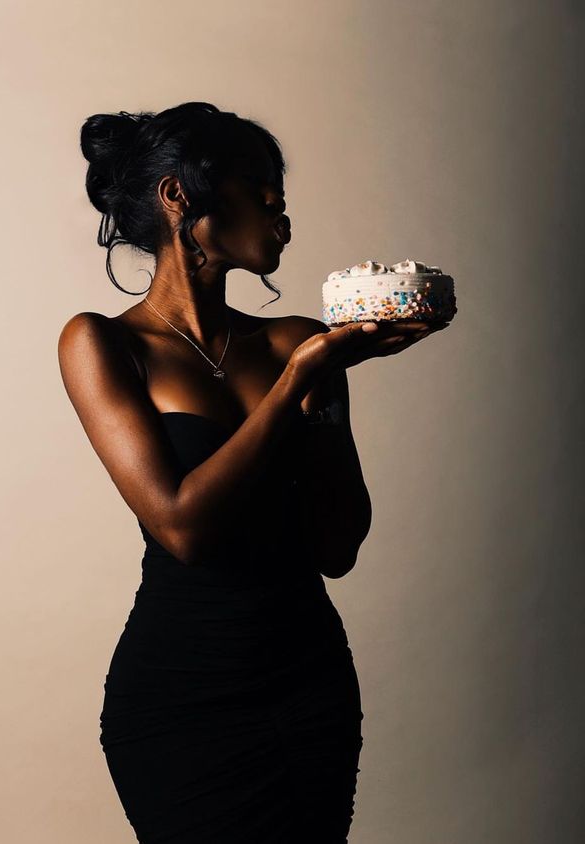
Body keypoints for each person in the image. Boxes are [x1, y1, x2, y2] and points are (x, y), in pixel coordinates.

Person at [58, 102, 449, 844]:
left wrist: (318, 390)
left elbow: (338, 548)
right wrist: (295, 380)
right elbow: (181, 528)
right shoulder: (102, 344)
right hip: (181, 697)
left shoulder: (298, 342)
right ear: (178, 197)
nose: (277, 202)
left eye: (278, 187)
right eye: (256, 182)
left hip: (308, 683)